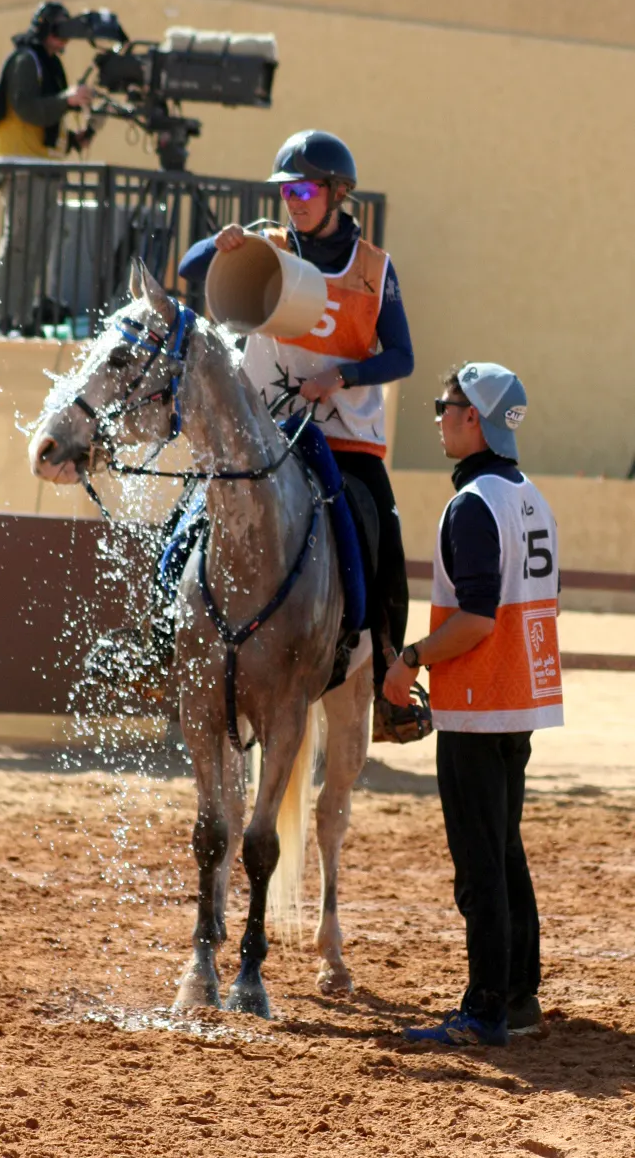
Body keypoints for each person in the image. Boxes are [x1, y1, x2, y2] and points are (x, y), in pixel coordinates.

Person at [178, 130, 415, 736]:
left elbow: (403, 357)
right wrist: (221, 241)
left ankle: (388, 676)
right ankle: (157, 635)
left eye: (305, 189)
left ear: (338, 193)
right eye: (286, 190)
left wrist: (342, 376)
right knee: (187, 510)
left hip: (345, 438)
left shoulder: (374, 269)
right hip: (265, 433)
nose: (293, 200)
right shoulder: (269, 245)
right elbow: (188, 270)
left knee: (383, 534)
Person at [384, 363, 563, 1047]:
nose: (436, 414)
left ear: (474, 419)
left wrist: (408, 662)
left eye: (445, 404)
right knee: (503, 850)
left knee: (480, 864)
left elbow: (476, 619)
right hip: (517, 701)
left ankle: (486, 1008)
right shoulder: (528, 496)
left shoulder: (471, 504)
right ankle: (517, 997)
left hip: (478, 704)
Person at [0, 1, 94, 335]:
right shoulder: (25, 61)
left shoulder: (49, 64)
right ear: (45, 28)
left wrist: (80, 136)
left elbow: (49, 121)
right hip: (22, 166)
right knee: (19, 240)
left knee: (37, 244)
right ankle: (2, 319)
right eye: (59, 28)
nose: (64, 37)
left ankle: (21, 318)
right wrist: (67, 100)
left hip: (44, 167)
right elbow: (27, 109)